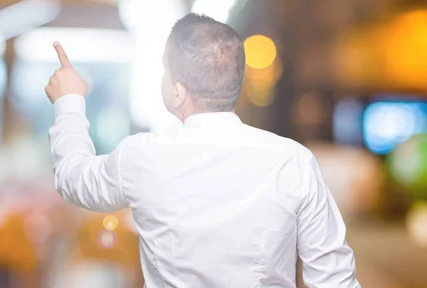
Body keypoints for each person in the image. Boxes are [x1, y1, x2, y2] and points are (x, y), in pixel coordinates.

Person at [45, 13, 360, 288]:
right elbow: (334, 281)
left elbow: (74, 179)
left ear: (178, 91)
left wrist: (69, 101)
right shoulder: (293, 162)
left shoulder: (142, 156)